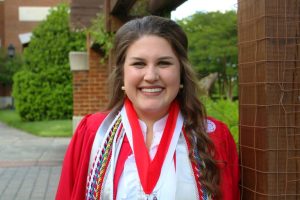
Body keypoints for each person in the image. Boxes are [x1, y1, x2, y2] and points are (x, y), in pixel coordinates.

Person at [56, 15, 239, 200]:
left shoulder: (214, 138)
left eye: (164, 63)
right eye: (138, 64)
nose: (151, 75)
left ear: (181, 73)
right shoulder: (93, 133)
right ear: (122, 74)